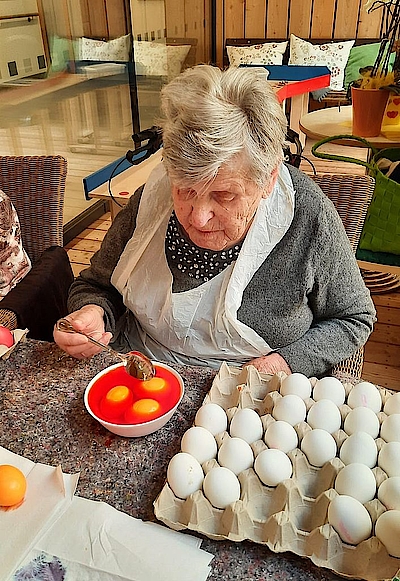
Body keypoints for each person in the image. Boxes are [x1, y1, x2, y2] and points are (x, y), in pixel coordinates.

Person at [54, 65, 375, 378]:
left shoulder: (308, 216)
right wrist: (92, 313)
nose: (199, 217)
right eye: (185, 190)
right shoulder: (149, 200)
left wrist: (284, 362)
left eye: (224, 195)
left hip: (246, 390)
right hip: (138, 374)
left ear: (269, 178)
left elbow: (354, 318)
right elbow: (95, 286)